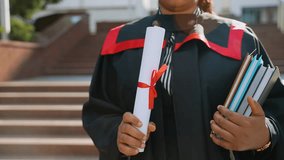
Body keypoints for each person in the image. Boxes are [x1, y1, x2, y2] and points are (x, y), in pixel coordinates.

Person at [82, 0, 284, 159]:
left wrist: (266, 135)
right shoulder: (120, 42)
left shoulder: (240, 39)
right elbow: (100, 111)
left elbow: (277, 111)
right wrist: (117, 133)